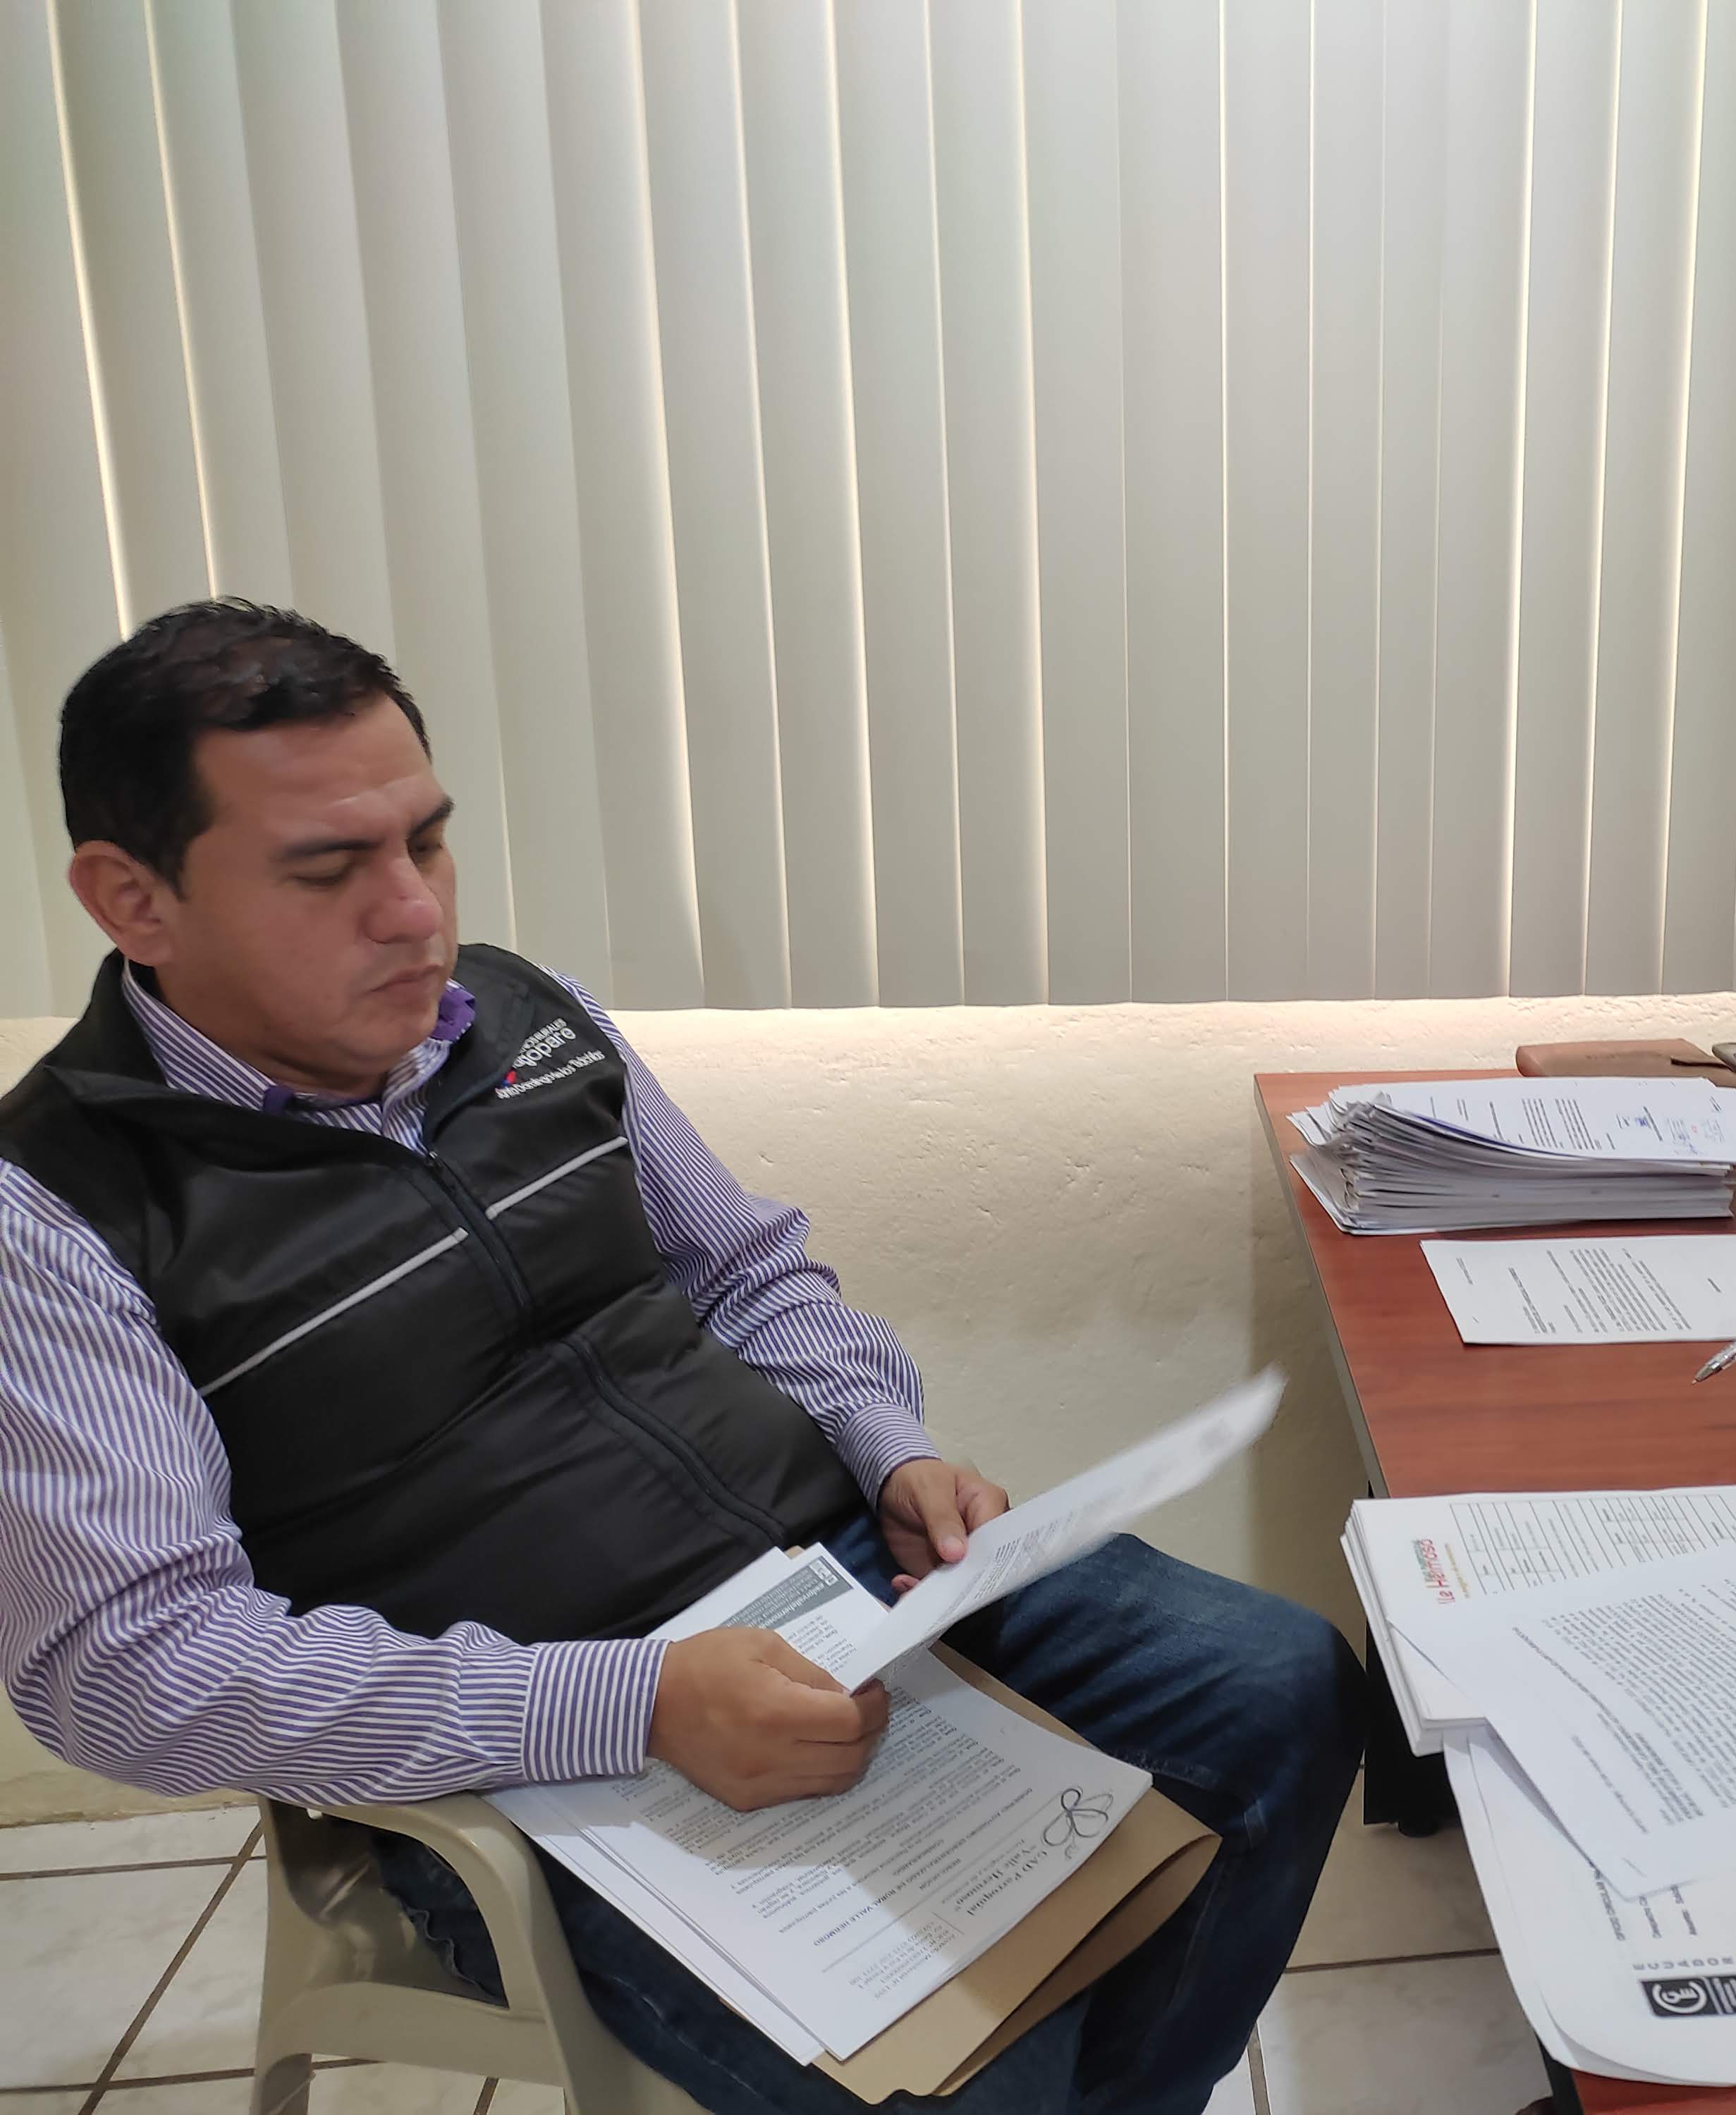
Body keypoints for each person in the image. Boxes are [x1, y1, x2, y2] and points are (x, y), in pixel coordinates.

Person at [0, 601, 1364, 2115]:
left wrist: (886, 1444)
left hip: (838, 1583)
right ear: (133, 899)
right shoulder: (56, 1214)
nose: (414, 915)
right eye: (328, 871)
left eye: (428, 843)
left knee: (1282, 1683)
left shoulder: (523, 1020)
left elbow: (745, 1272)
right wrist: (633, 1700)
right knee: (966, 2060)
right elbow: (128, 1668)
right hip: (534, 1738)